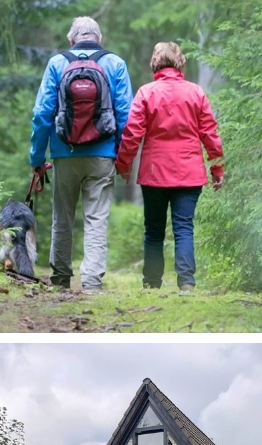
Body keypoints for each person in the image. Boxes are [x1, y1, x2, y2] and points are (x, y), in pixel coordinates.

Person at [31, 16, 133, 293]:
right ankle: (91, 282)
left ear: (71, 39)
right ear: (99, 39)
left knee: (62, 217)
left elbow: (42, 114)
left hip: (65, 152)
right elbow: (126, 117)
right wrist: (123, 159)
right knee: (96, 218)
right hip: (103, 154)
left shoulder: (57, 63)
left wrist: (37, 158)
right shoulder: (115, 63)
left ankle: (61, 277)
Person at [116, 42, 224, 292]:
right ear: (179, 62)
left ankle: (152, 283)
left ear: (155, 62)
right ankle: (186, 281)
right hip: (189, 171)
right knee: (184, 227)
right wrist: (217, 168)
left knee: (153, 230)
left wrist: (124, 165)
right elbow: (210, 133)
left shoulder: (146, 92)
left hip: (155, 172)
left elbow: (132, 134)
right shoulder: (195, 92)